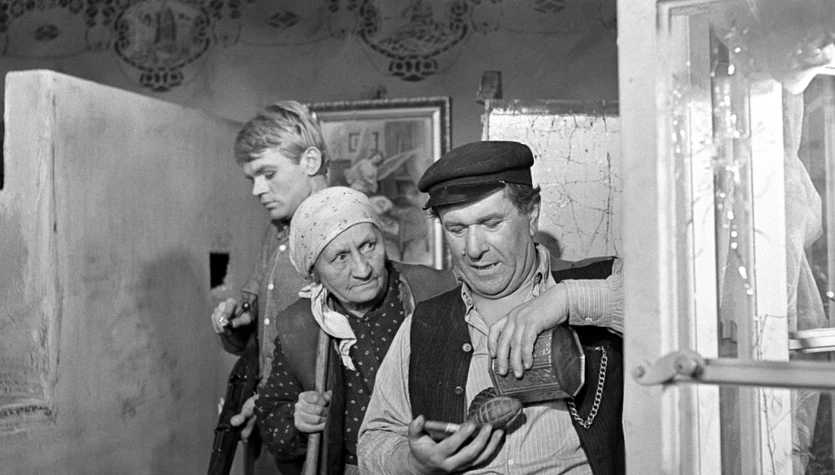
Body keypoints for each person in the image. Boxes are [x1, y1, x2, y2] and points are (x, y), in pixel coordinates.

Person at [253, 184, 623, 475]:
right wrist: (297, 421)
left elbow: (649, 300)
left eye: (369, 245)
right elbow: (369, 440)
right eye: (339, 258)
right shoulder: (301, 327)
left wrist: (565, 299)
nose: (363, 269)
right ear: (314, 272)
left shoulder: (429, 289)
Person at [358, 141, 625, 474]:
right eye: (457, 229)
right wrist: (412, 463)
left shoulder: (603, 281)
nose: (473, 249)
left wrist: (564, 299)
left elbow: (672, 313)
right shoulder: (422, 325)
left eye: (490, 223)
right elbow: (374, 440)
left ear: (532, 215)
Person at [208, 100, 329, 473]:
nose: (257, 190)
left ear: (310, 161)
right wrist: (236, 323)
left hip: (315, 433)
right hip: (266, 424)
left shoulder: (343, 234)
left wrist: (268, 401)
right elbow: (259, 330)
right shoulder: (276, 232)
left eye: (268, 173)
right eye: (252, 178)